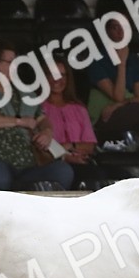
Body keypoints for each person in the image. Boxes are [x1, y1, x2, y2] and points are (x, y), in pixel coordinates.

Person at [0, 39, 74, 190]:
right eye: (9, 62)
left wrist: (47, 132)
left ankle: (20, 191)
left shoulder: (20, 91)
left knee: (63, 171)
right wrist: (19, 122)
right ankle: (21, 192)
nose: (14, 67)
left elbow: (42, 118)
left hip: (25, 168)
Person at [83, 17, 139, 149]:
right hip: (104, 116)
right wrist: (122, 63)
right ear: (107, 32)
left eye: (124, 27)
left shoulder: (133, 59)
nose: (120, 32)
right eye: (115, 27)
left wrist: (118, 105)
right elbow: (117, 95)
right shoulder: (97, 59)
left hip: (123, 111)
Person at [39, 58, 108, 187]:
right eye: (53, 74)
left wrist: (70, 145)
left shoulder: (78, 108)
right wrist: (65, 155)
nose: (58, 79)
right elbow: (39, 146)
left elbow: (90, 145)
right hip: (53, 164)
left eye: (63, 75)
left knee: (120, 174)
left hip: (82, 161)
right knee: (93, 176)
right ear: (44, 77)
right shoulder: (38, 108)